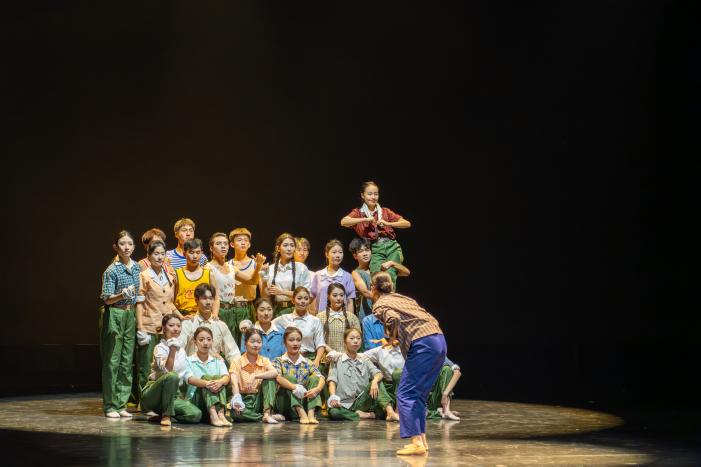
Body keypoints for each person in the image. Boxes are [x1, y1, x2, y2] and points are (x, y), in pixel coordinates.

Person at [371, 271, 447, 456]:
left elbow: (393, 318)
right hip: (438, 339)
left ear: (374, 289)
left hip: (423, 343)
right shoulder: (404, 298)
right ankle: (422, 440)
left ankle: (416, 442)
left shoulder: (380, 303)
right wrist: (399, 337)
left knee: (405, 393)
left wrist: (391, 337)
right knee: (418, 394)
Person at [99, 230, 143, 418]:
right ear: (115, 247)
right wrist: (121, 295)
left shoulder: (136, 267)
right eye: (122, 244)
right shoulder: (112, 270)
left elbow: (139, 293)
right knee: (113, 360)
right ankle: (110, 405)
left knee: (126, 360)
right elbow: (107, 298)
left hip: (130, 314)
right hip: (115, 313)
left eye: (129, 244)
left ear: (134, 247)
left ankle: (121, 403)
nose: (126, 247)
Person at [134, 240, 181, 407]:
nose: (160, 257)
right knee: (146, 366)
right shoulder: (144, 275)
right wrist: (140, 328)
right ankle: (144, 402)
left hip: (166, 328)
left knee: (165, 366)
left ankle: (162, 402)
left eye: (162, 254)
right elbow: (139, 302)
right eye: (156, 254)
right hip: (149, 326)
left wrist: (181, 317)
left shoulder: (169, 275)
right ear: (149, 256)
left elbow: (169, 303)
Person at [341, 181, 411, 287]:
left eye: (376, 194)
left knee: (391, 275)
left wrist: (388, 223)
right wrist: (365, 219)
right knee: (377, 277)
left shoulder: (385, 211)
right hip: (375, 247)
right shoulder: (358, 213)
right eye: (369, 194)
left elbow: (407, 223)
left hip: (392, 246)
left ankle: (389, 297)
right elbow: (344, 222)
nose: (373, 197)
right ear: (363, 195)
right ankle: (379, 297)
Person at [140, 314, 202, 426]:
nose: (175, 328)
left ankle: (165, 414)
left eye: (178, 325)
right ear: (164, 328)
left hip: (172, 395)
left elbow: (187, 375)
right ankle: (166, 415)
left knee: (195, 415)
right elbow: (167, 371)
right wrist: (172, 350)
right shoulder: (159, 348)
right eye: (171, 325)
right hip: (154, 394)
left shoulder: (182, 351)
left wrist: (207, 383)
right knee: (172, 376)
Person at [326, 328, 399, 421]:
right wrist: (333, 396)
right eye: (352, 338)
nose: (355, 341)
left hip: (362, 401)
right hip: (344, 404)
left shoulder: (364, 359)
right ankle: (365, 415)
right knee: (334, 412)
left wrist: (374, 381)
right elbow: (332, 381)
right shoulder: (336, 359)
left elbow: (379, 373)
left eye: (358, 338)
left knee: (377, 381)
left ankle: (390, 412)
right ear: (345, 341)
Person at [207, 231, 265, 343]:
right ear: (211, 248)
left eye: (225, 243)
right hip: (219, 311)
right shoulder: (208, 268)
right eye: (218, 243)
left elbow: (252, 281)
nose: (223, 246)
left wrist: (258, 265)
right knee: (221, 343)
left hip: (233, 310)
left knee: (237, 343)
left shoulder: (231, 267)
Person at [349, 237, 410, 324]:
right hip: (368, 316)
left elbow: (406, 272)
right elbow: (365, 292)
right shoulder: (356, 273)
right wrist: (387, 298)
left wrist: (392, 263)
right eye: (361, 251)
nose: (365, 254)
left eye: (367, 250)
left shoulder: (378, 268)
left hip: (385, 314)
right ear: (355, 255)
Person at [272, 327, 325, 424]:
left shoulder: (307, 362)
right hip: (285, 403)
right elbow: (278, 378)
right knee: (289, 378)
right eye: (291, 340)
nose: (295, 343)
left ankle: (311, 413)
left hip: (304, 401)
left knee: (314, 378)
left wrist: (317, 389)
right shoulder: (278, 361)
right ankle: (301, 412)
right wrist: (295, 387)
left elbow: (321, 377)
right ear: (285, 342)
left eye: (298, 340)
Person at [229, 328, 282, 423]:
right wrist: (237, 397)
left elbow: (275, 373)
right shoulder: (236, 362)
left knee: (270, 380)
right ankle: (264, 417)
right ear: (245, 343)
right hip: (244, 399)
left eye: (259, 342)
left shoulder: (264, 360)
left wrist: (255, 376)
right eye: (252, 341)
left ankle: (267, 413)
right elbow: (234, 384)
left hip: (260, 400)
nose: (256, 345)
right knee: (235, 413)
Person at [178, 283, 241, 365]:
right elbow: (178, 350)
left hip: (214, 369)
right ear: (196, 300)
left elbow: (233, 352)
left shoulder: (220, 325)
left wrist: (238, 369)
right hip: (191, 369)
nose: (208, 302)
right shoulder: (188, 324)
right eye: (204, 298)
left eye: (211, 298)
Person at [184, 327, 232, 426]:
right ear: (195, 342)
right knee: (206, 377)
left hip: (217, 401)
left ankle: (221, 414)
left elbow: (226, 377)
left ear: (212, 342)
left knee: (219, 379)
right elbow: (190, 379)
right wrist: (207, 383)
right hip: (196, 402)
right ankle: (213, 414)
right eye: (201, 340)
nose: (205, 343)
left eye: (209, 339)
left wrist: (220, 382)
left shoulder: (218, 361)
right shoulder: (188, 360)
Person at [269, 287, 326, 368]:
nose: (303, 301)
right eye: (299, 298)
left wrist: (317, 360)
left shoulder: (315, 320)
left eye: (306, 298)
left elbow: (320, 344)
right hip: (289, 361)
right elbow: (267, 325)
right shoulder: (284, 319)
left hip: (310, 359)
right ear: (293, 301)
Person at [260, 233, 312, 317]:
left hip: (296, 309)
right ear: (278, 248)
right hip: (276, 309)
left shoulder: (301, 268)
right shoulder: (271, 269)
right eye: (285, 245)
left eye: (292, 245)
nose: (289, 249)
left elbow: (306, 294)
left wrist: (282, 292)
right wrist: (264, 279)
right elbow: (265, 296)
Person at [173, 239, 220, 319]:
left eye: (198, 253)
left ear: (202, 253)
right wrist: (181, 317)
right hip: (182, 316)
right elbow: (170, 301)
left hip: (205, 316)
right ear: (184, 254)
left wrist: (215, 314)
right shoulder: (176, 275)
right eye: (191, 252)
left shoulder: (209, 274)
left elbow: (216, 298)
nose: (195, 256)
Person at [310, 240, 356, 315]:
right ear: (327, 254)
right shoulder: (318, 275)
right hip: (322, 317)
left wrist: (350, 319)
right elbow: (312, 298)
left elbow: (350, 301)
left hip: (341, 317)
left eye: (340, 252)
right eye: (334, 252)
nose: (338, 255)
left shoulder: (347, 276)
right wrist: (313, 318)